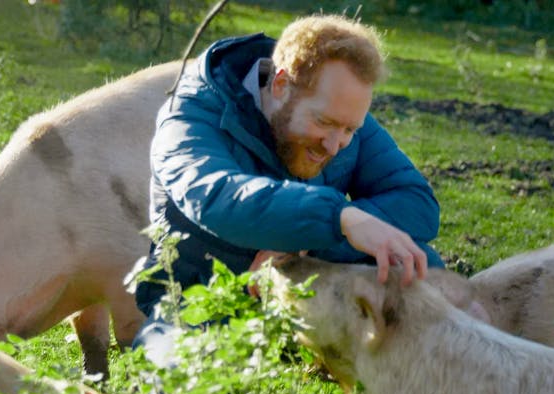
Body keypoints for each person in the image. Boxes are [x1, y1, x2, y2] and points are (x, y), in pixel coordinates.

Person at [132, 14, 444, 365]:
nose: (334, 144)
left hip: (306, 293)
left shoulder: (338, 114)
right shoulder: (190, 115)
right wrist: (340, 217)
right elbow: (217, 197)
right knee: (170, 380)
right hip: (204, 306)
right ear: (280, 85)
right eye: (323, 123)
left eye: (349, 130)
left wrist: (305, 242)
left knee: (416, 265)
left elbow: (417, 202)